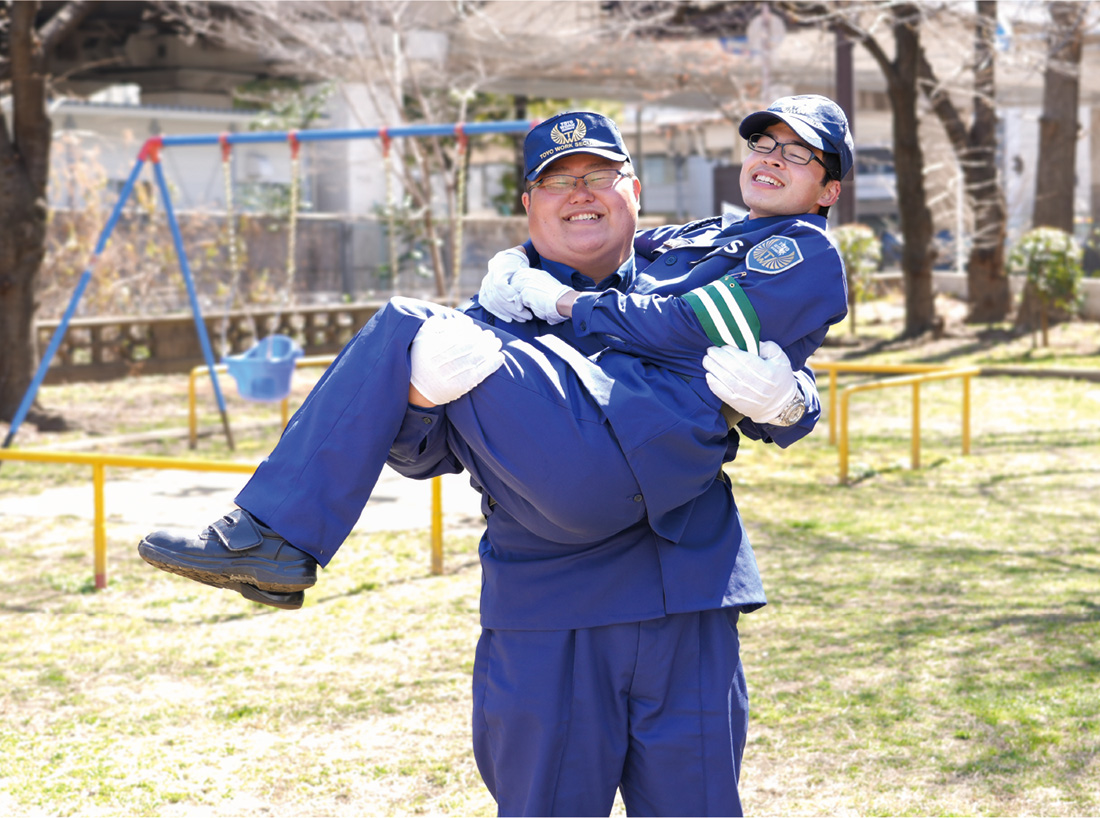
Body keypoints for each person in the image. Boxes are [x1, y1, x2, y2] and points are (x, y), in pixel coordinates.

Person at [139, 96, 853, 816]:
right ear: (527, 204)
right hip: (553, 608)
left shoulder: (683, 269)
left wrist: (796, 402)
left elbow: (769, 329)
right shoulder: (483, 321)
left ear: (635, 191)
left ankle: (271, 536)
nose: (581, 194)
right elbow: (423, 455)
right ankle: (274, 538)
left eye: (600, 176)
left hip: (686, 599)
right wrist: (418, 398)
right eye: (557, 181)